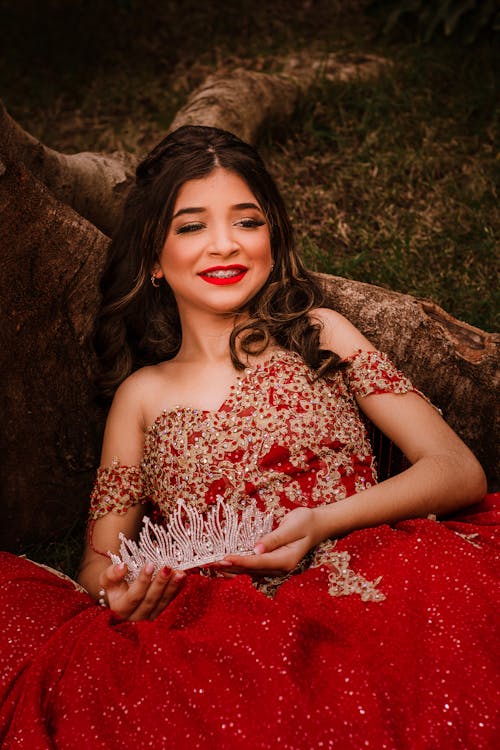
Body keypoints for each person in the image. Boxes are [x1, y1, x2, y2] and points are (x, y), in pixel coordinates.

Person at [0, 125, 498, 749]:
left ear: (272, 237)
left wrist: (322, 521)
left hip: (378, 576)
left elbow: (456, 468)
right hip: (221, 623)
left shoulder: (319, 333)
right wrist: (121, 594)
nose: (223, 246)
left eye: (246, 221)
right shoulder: (142, 397)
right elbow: (102, 561)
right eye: (191, 226)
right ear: (154, 258)